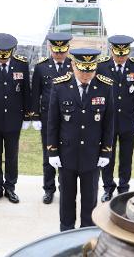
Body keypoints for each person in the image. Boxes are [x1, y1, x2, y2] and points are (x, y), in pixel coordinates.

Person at [47, 48, 114, 231]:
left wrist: (106, 151)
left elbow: (109, 123)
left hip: (92, 155)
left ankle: (86, 234)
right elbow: (53, 122)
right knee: (67, 199)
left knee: (90, 199)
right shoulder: (60, 86)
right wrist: (52, 151)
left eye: (90, 70)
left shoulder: (105, 86)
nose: (86, 75)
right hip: (66, 153)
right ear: (73, 65)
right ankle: (65, 233)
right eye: (82, 70)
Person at [0, 33, 31, 204]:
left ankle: (10, 187)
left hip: (13, 118)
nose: (2, 59)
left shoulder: (21, 65)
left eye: (5, 54)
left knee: (12, 155)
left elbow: (26, 92)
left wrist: (27, 116)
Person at [96, 35, 134, 202]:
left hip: (128, 120)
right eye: (118, 55)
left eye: (123, 55)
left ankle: (124, 188)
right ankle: (108, 187)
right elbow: (97, 92)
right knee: (107, 156)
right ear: (112, 51)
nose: (120, 58)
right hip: (108, 121)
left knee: (126, 157)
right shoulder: (102, 66)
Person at [30, 32, 73, 204]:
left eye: (62, 51)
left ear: (68, 49)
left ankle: (65, 188)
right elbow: (35, 94)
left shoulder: (74, 65)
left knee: (67, 155)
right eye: (56, 50)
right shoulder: (42, 67)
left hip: (69, 119)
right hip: (48, 119)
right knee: (49, 155)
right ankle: (49, 189)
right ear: (50, 48)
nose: (59, 54)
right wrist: (35, 117)